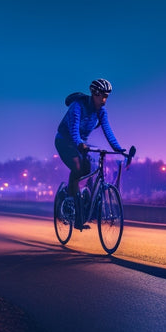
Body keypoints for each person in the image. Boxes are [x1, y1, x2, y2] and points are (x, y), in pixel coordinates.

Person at [55, 78, 125, 230]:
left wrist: (119, 149)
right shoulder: (77, 107)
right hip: (65, 141)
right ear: (94, 94)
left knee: (88, 170)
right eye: (102, 96)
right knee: (78, 168)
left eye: (107, 96)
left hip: (81, 143)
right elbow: (74, 130)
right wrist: (80, 143)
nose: (105, 100)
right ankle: (69, 201)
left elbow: (108, 131)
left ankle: (80, 198)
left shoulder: (101, 111)